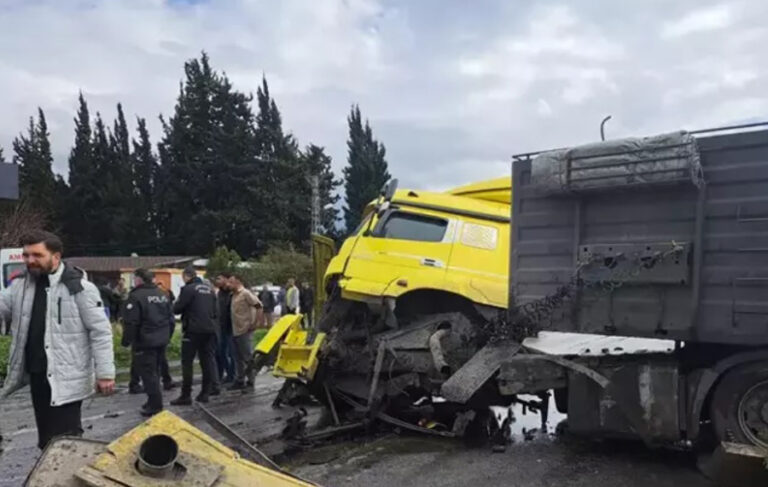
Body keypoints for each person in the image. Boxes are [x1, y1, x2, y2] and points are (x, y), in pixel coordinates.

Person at [0, 230, 115, 450]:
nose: (30, 260)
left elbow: (100, 332)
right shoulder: (20, 286)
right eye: (26, 255)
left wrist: (106, 373)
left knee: (67, 437)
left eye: (37, 255)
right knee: (46, 437)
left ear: (56, 256)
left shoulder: (80, 287)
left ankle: (68, 478)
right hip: (37, 373)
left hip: (67, 374)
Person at [121, 268, 173, 416]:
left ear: (139, 279)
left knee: (148, 374)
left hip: (145, 341)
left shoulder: (136, 296)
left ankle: (155, 404)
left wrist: (126, 341)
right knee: (155, 371)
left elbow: (131, 322)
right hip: (161, 338)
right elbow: (170, 318)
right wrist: (167, 336)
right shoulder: (162, 294)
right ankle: (152, 400)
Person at [171, 267, 219, 405]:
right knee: (207, 361)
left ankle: (186, 395)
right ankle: (205, 393)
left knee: (187, 363)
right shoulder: (210, 290)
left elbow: (177, 309)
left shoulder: (188, 289)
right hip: (210, 330)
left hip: (192, 330)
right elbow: (215, 312)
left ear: (186, 276)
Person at [228, 274, 261, 391]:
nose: (229, 285)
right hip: (235, 330)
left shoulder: (245, 293)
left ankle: (251, 381)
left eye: (231, 282)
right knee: (237, 357)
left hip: (245, 330)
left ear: (238, 282)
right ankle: (240, 380)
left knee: (247, 357)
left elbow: (258, 306)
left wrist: (256, 323)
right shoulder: (233, 295)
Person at [155, 280, 177, 390]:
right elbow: (171, 322)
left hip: (155, 335)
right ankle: (166, 380)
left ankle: (157, 382)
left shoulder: (154, 304)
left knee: (157, 359)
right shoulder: (167, 304)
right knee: (162, 358)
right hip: (162, 335)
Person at [214, 272, 235, 383]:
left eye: (219, 278)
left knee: (231, 354)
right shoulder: (220, 293)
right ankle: (222, 374)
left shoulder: (232, 293)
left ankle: (232, 375)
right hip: (221, 327)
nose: (217, 281)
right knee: (220, 352)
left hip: (231, 327)